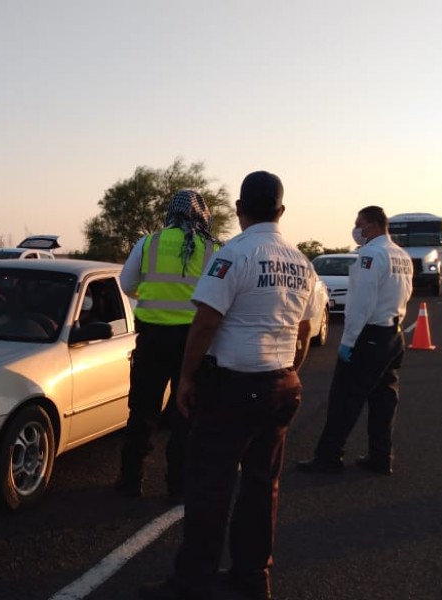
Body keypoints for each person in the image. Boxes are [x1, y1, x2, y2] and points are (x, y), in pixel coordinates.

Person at [139, 171, 322, 600]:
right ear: (281, 211)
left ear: (239, 209)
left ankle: (192, 581)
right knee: (262, 487)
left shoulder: (234, 254)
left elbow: (205, 322)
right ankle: (253, 577)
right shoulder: (301, 261)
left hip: (233, 388)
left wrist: (186, 377)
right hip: (281, 384)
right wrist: (292, 371)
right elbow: (306, 328)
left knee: (210, 488)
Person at [116, 189, 220, 504]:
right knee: (186, 414)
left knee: (143, 411)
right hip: (194, 342)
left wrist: (151, 297)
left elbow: (126, 284)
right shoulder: (212, 249)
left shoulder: (148, 243)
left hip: (151, 339)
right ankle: (178, 484)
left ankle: (130, 481)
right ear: (203, 215)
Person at [296, 206, 413, 476]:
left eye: (358, 224)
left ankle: (328, 457)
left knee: (344, 399)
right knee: (384, 401)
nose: (356, 229)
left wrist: (348, 342)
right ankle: (381, 457)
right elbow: (405, 293)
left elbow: (362, 303)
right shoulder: (401, 256)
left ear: (371, 225)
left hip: (369, 336)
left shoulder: (370, 254)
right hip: (393, 335)